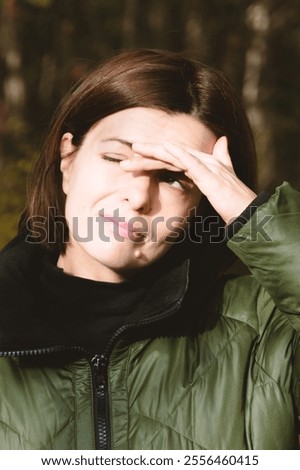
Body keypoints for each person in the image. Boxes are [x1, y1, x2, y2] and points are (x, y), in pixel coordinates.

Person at [0, 48, 299, 451]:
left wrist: (253, 214)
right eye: (115, 158)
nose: (139, 196)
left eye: (175, 178)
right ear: (67, 157)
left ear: (204, 204)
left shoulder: (262, 330)